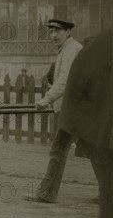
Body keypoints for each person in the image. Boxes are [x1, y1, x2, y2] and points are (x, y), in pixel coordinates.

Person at [58, 30, 113, 218]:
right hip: (104, 128)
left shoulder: (98, 45)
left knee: (108, 177)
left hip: (101, 129)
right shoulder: (102, 46)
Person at [29, 19, 83, 203]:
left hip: (74, 109)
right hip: (73, 108)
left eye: (57, 31)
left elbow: (66, 79)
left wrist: (46, 99)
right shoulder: (64, 50)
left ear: (68, 32)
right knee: (96, 152)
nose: (52, 35)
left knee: (58, 150)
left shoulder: (71, 49)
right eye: (50, 31)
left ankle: (46, 194)